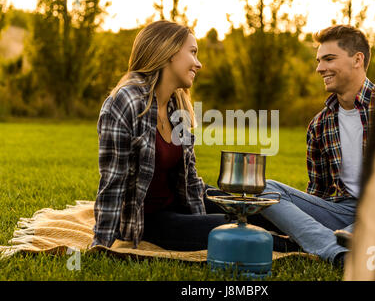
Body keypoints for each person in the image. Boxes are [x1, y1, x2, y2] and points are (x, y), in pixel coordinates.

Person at [91, 20, 293, 251]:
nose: (199, 64)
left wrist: (202, 214)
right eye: (193, 52)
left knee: (257, 211)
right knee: (237, 229)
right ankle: (304, 251)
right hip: (150, 219)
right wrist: (101, 245)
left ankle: (323, 236)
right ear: (169, 52)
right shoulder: (125, 102)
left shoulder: (176, 103)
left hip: (182, 199)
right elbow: (113, 181)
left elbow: (189, 176)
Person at [258, 25, 375, 266]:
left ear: (357, 59)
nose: (319, 68)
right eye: (318, 60)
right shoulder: (319, 124)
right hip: (344, 212)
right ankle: (339, 252)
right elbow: (318, 193)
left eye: (329, 59)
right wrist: (300, 221)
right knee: (264, 189)